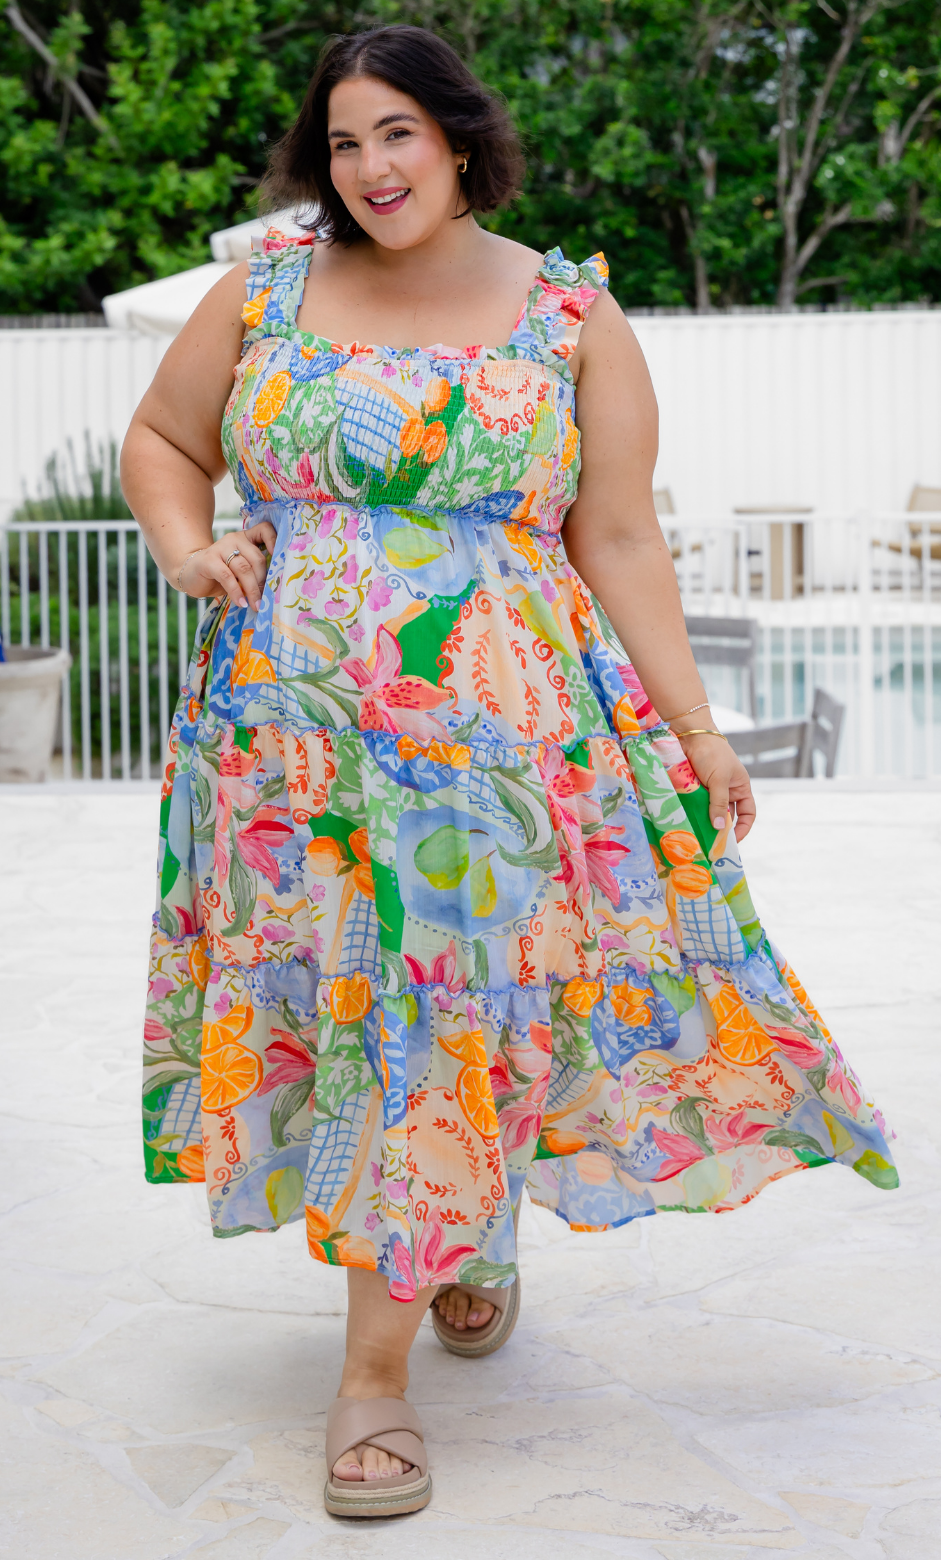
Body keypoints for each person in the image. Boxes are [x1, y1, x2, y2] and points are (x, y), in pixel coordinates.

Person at [121, 24, 897, 1520]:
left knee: (453, 1004)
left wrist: (699, 730)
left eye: (397, 133)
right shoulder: (268, 290)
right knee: (349, 1005)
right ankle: (453, 1239)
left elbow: (619, 536)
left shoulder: (568, 314)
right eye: (343, 142)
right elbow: (162, 436)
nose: (370, 167)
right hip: (289, 756)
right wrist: (187, 543)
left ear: (461, 139)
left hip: (507, 753)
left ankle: (373, 1376)